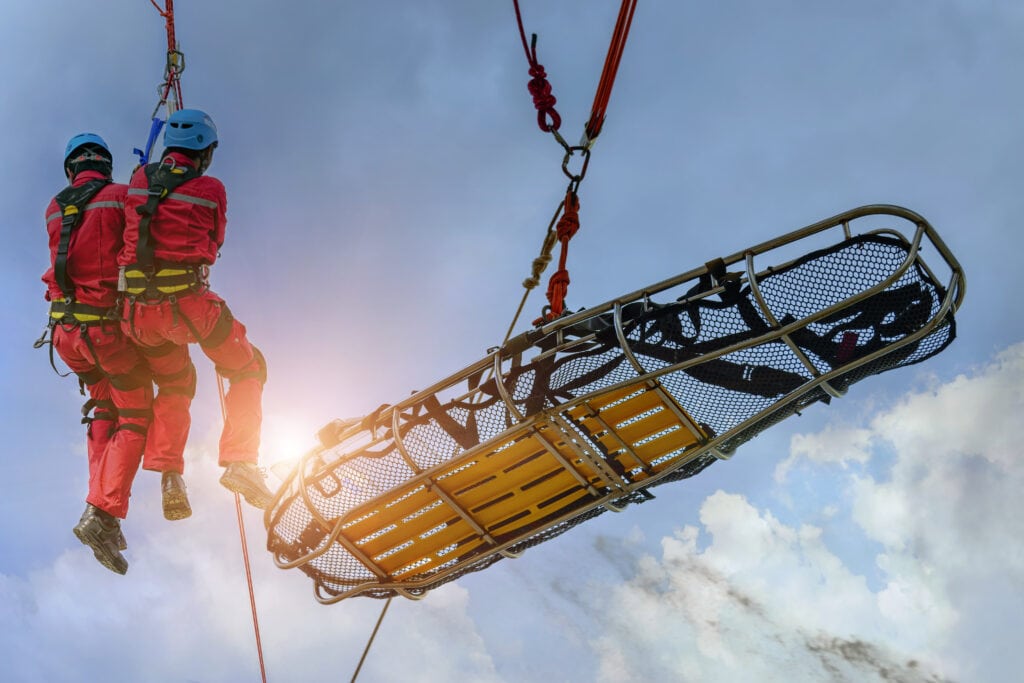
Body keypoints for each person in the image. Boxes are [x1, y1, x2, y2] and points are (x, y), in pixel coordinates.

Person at [118, 108, 273, 510]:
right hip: (189, 306)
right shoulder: (211, 188)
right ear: (206, 151)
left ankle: (170, 474)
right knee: (247, 367)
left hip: (138, 315)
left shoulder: (138, 179)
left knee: (174, 383)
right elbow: (215, 242)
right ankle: (241, 461)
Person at [42, 133, 167, 575]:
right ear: (105, 165)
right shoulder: (119, 196)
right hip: (106, 335)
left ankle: (99, 514)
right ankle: (104, 512)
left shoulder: (55, 208)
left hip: (68, 336)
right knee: (136, 414)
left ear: (72, 168)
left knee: (104, 410)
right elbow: (137, 242)